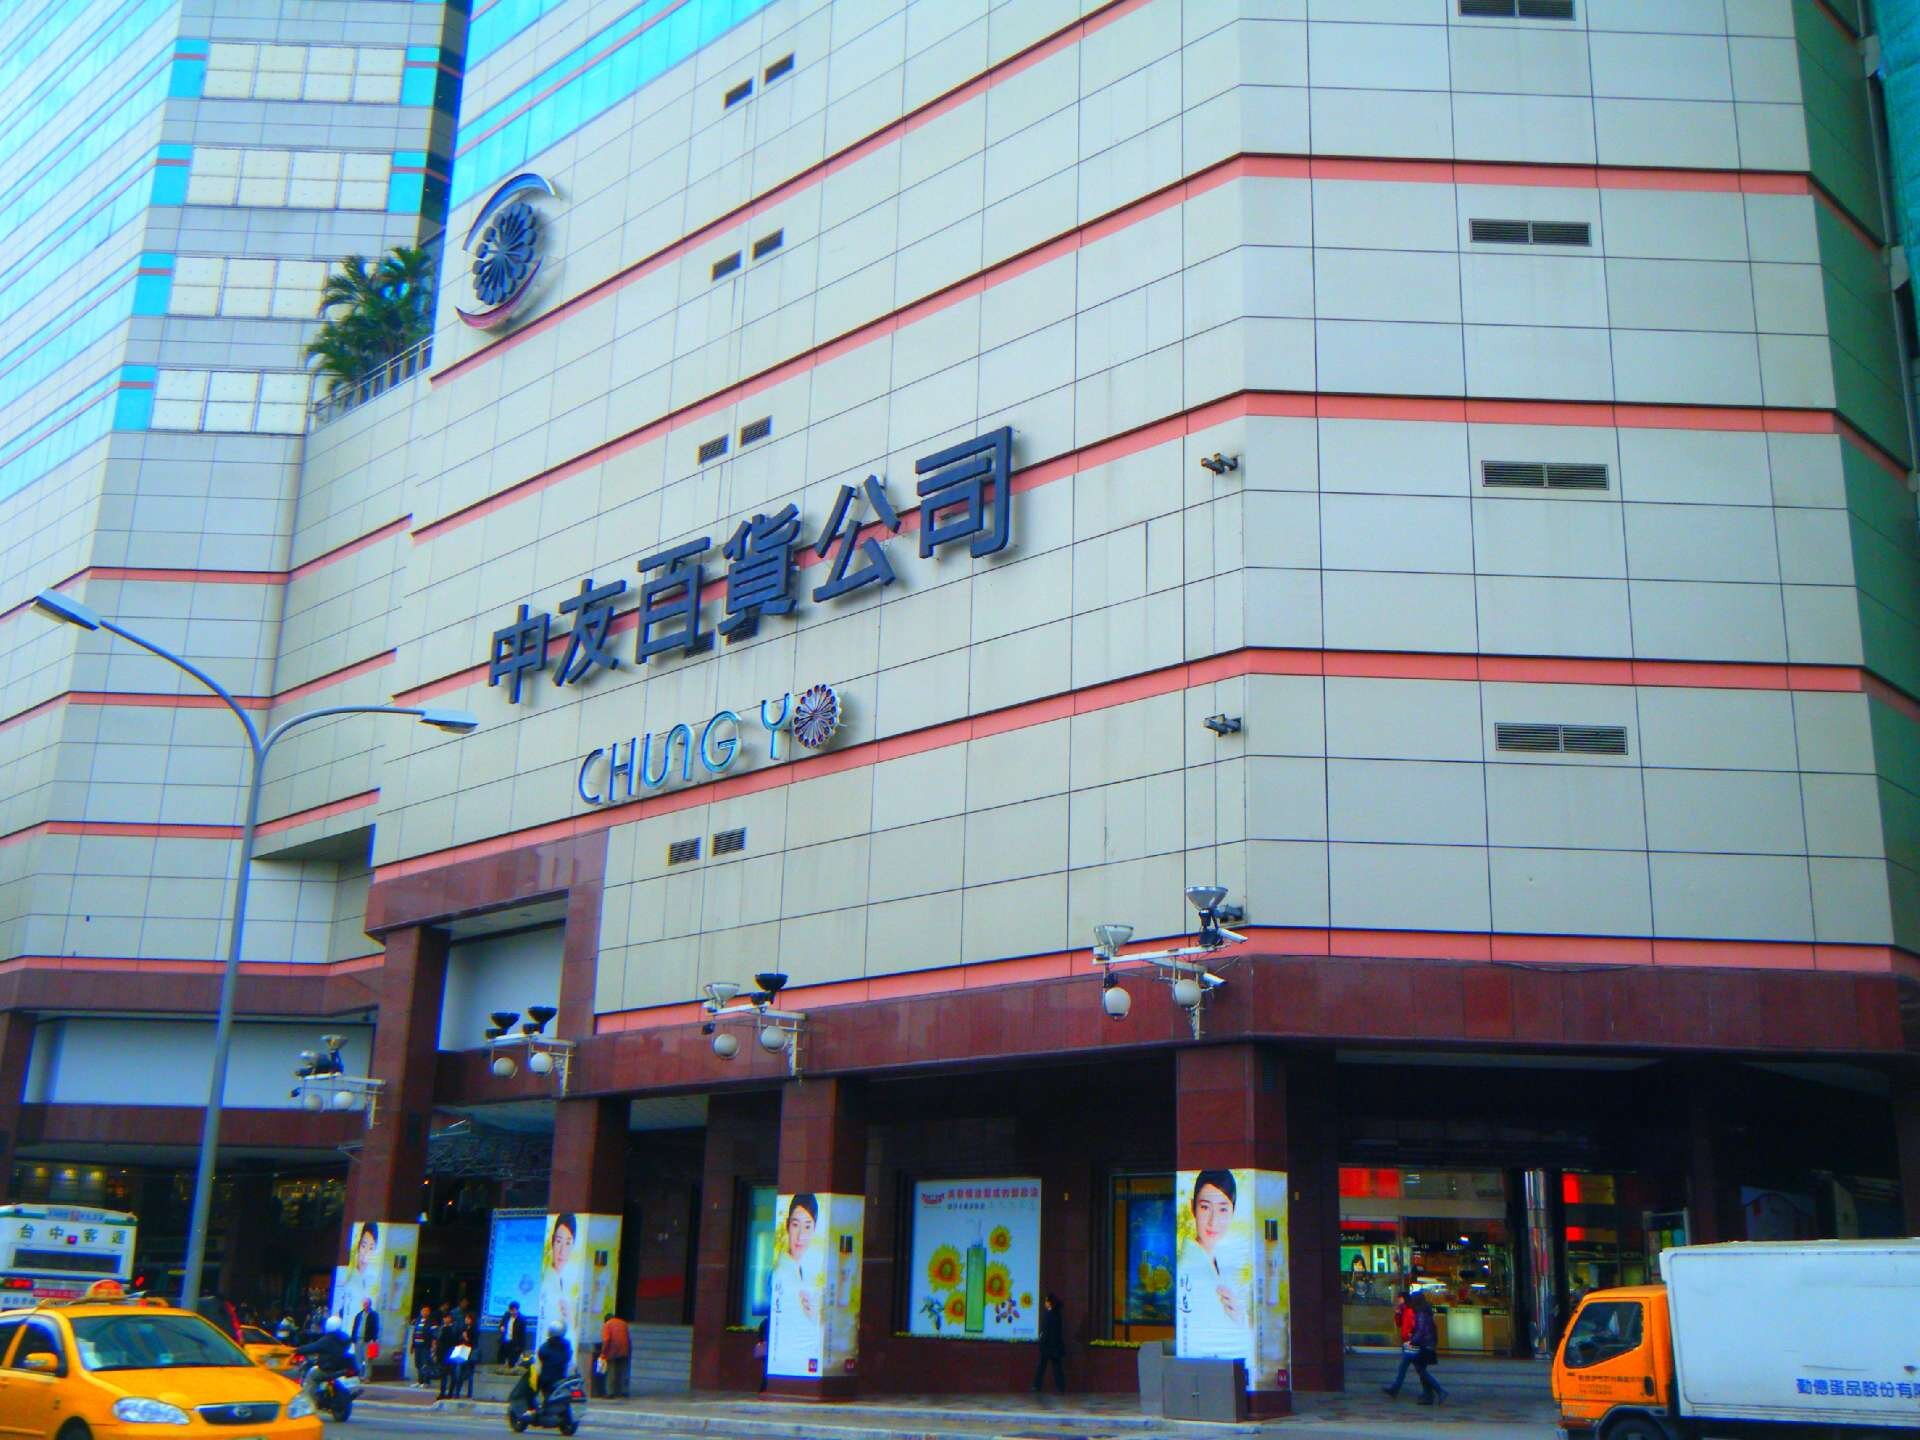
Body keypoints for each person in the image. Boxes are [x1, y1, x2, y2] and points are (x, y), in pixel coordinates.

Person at [1177, 1170, 1247, 1354]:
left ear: (1233, 1211)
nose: (1213, 1221)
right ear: (1193, 1207)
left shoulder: (1221, 1263)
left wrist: (1240, 1318)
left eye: (1223, 1209)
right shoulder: (1186, 1268)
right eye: (1205, 1207)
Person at [767, 1194, 820, 1376]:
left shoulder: (805, 1272)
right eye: (796, 1225)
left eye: (807, 1226)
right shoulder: (781, 1272)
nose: (800, 1236)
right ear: (787, 1225)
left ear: (814, 1229)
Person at [291, 1314, 355, 1398]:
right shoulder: (345, 1338)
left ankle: (308, 1400)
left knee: (312, 1376)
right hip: (341, 1369)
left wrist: (297, 1350)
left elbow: (313, 1347)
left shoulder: (328, 1339)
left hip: (328, 1369)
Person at [539, 1213, 580, 1343]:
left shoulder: (573, 1281)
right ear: (552, 1241)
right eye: (558, 1241)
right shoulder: (546, 1278)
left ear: (573, 1245)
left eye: (568, 1243)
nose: (562, 1251)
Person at [1408, 1290, 1447, 1405]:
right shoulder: (1426, 1312)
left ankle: (1439, 1391)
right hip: (1428, 1343)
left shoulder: (1421, 1313)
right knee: (1421, 1369)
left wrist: (1412, 1341)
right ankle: (1428, 1395)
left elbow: (1421, 1330)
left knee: (1420, 1370)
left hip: (1424, 1344)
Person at [1382, 1290, 1419, 1398]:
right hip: (1407, 1341)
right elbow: (1399, 1324)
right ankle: (1395, 1388)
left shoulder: (1410, 1310)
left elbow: (1412, 1325)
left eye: (1400, 1298)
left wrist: (1410, 1335)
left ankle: (1395, 1388)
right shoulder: (1404, 1310)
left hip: (1410, 1342)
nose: (1398, 1300)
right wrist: (1398, 1313)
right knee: (1415, 1368)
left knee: (1407, 1367)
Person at [1032, 1292, 1066, 1394]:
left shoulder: (1048, 1315)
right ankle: (1061, 1388)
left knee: (1042, 1367)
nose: (1045, 1303)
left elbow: (1045, 1331)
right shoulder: (1057, 1315)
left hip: (1047, 1346)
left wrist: (1042, 1342)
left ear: (1050, 1303)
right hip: (1055, 1346)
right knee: (1057, 1368)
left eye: (1046, 1301)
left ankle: (1036, 1386)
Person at [536, 1321, 574, 1402]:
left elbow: (541, 1355)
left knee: (546, 1398)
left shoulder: (546, 1345)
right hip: (561, 1377)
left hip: (546, 1379)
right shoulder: (566, 1345)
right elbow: (568, 1357)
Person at [599, 1310, 631, 1399]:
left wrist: (603, 1353)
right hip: (625, 1349)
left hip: (613, 1350)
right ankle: (624, 1391)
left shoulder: (607, 1325)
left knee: (611, 1372)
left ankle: (610, 1393)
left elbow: (606, 1340)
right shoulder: (624, 1323)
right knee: (623, 1371)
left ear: (606, 1320)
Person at [435, 1306, 463, 1399]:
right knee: (443, 1374)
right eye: (444, 1318)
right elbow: (438, 1341)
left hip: (452, 1353)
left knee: (453, 1374)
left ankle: (451, 1392)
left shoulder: (454, 1328)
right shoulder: (441, 1328)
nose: (445, 1319)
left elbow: (456, 1340)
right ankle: (442, 1392)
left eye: (447, 1318)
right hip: (442, 1354)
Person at [349, 1297, 380, 1379]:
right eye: (364, 1304)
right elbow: (354, 1327)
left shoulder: (374, 1315)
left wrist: (374, 1339)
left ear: (370, 1304)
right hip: (358, 1339)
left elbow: (376, 1327)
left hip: (368, 1340)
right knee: (358, 1359)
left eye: (367, 1304)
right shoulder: (359, 1315)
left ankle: (367, 1377)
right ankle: (358, 1376)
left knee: (368, 1359)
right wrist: (353, 1338)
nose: (365, 1305)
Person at [410, 1305, 436, 1388]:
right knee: (418, 1363)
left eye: (426, 1311)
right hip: (417, 1345)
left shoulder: (431, 1321)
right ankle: (419, 1381)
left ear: (429, 1312)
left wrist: (433, 1345)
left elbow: (434, 1334)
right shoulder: (418, 1321)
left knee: (425, 1364)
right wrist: (412, 1345)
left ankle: (426, 1382)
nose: (424, 1312)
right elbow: (414, 1333)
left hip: (425, 1346)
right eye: (423, 1311)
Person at [499, 1300, 528, 1370]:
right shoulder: (507, 1315)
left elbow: (522, 1335)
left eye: (513, 1310)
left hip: (515, 1342)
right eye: (510, 1310)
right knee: (503, 1356)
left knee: (512, 1360)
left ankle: (512, 1368)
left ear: (517, 1310)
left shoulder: (522, 1319)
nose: (512, 1312)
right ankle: (504, 1366)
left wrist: (521, 1347)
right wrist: (501, 1327)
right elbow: (501, 1323)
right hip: (505, 1340)